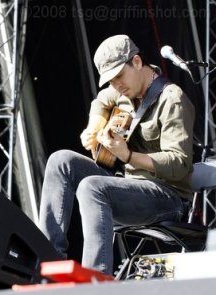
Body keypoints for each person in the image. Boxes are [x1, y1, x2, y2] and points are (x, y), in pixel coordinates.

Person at [38, 34, 195, 275]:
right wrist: (93, 128)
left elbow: (179, 164)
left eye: (119, 76)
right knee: (60, 161)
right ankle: (47, 265)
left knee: (92, 187)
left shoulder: (172, 99)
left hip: (167, 196)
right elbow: (101, 101)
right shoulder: (122, 91)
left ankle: (97, 280)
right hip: (128, 185)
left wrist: (128, 155)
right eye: (110, 80)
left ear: (137, 62)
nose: (117, 85)